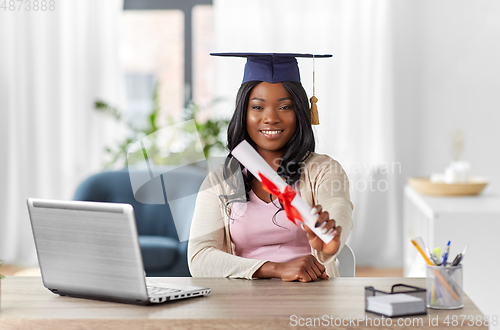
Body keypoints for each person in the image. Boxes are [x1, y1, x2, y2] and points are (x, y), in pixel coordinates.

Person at [188, 53, 353, 282]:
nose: (271, 118)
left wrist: (329, 243)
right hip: (242, 303)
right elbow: (199, 258)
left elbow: (338, 206)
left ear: (300, 113)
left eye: (285, 107)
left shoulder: (324, 170)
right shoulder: (221, 180)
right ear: (243, 113)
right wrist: (275, 268)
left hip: (312, 299)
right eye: (257, 107)